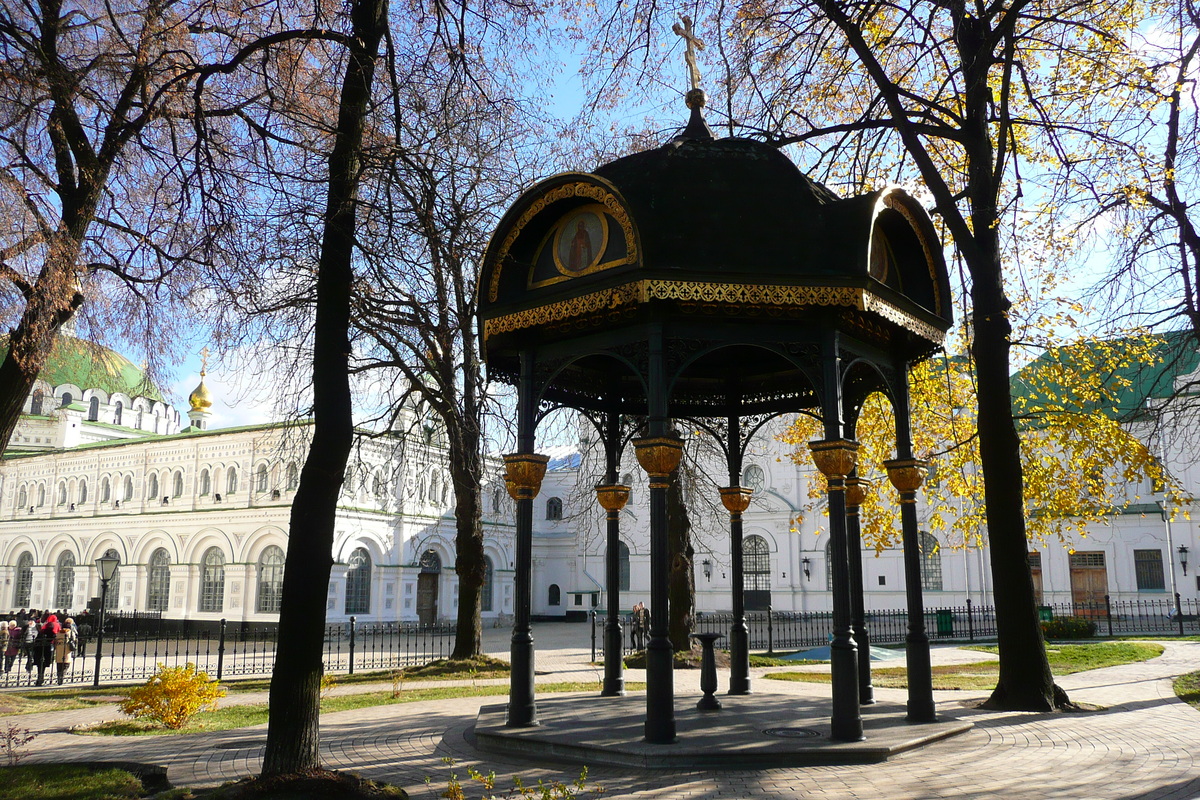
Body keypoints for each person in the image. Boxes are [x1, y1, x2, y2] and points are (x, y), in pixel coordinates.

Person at [34, 613, 60, 686]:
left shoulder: (43, 629)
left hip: (40, 649)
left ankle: (39, 678)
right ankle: (40, 678)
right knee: (45, 662)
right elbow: (57, 635)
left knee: (40, 664)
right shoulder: (56, 625)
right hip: (48, 647)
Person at [54, 618, 77, 685]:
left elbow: (55, 641)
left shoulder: (58, 633)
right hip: (67, 650)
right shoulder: (71, 632)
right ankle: (62, 677)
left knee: (59, 665)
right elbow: (75, 640)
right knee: (66, 664)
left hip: (59, 651)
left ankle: (59, 677)